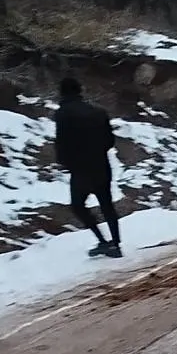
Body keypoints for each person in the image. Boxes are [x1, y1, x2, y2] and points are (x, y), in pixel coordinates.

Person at [54, 77, 122, 258]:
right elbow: (109, 141)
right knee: (107, 205)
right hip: (101, 165)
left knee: (78, 205)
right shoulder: (98, 112)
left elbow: (62, 142)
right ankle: (115, 244)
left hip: (81, 169)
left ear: (61, 92)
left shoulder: (62, 114)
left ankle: (102, 240)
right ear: (80, 90)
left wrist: (65, 162)